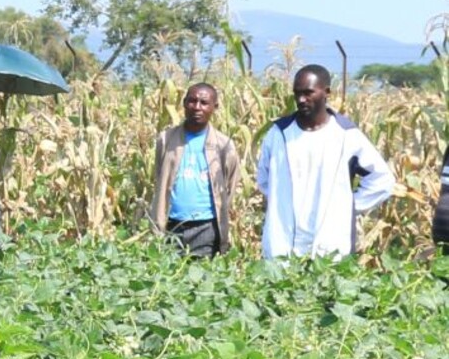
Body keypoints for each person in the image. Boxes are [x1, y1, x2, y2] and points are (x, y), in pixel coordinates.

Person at [254, 64, 393, 258]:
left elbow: (382, 180)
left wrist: (349, 207)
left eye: (308, 93)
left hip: (331, 246)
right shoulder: (278, 134)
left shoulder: (346, 135)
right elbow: (264, 180)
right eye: (297, 93)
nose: (301, 100)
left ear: (327, 92)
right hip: (282, 244)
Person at [147, 82, 240, 257]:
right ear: (184, 103)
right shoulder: (166, 140)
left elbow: (229, 185)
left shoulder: (224, 145)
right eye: (192, 101)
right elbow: (160, 175)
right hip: (171, 224)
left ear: (215, 106)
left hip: (206, 227)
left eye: (204, 103)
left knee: (201, 280)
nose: (197, 107)